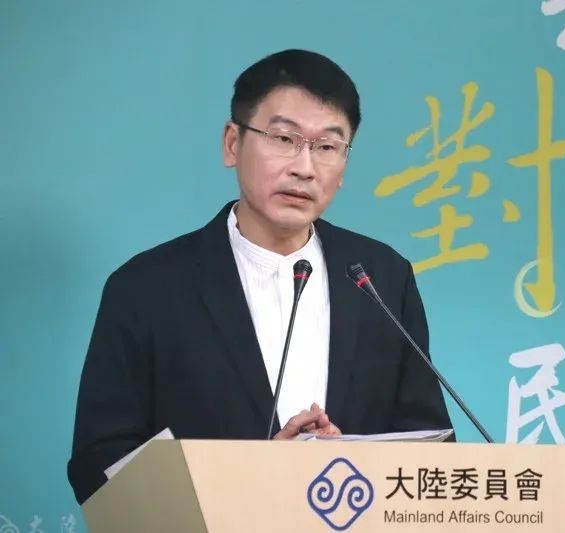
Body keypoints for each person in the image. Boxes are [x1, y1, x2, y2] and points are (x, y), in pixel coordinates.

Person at [67, 49, 454, 505]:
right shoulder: (146, 288)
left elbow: (430, 445)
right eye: (284, 138)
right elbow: (100, 462)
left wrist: (351, 468)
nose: (304, 167)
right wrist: (251, 479)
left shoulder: (381, 277)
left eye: (327, 147)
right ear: (232, 143)